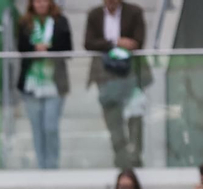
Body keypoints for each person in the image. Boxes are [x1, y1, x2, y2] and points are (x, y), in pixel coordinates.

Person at [84, 0, 148, 169]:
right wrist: (115, 42)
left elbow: (138, 41)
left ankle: (135, 156)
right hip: (106, 76)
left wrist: (125, 44)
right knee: (113, 121)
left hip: (131, 74)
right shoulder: (95, 14)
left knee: (135, 117)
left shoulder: (134, 12)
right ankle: (121, 159)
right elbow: (89, 43)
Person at [16, 0, 73, 170]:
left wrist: (48, 49)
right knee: (37, 128)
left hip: (54, 82)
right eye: (37, 1)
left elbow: (67, 47)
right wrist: (34, 48)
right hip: (32, 82)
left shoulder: (60, 21)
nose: (40, 4)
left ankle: (52, 165)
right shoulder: (25, 22)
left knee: (50, 126)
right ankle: (41, 166)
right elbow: (21, 47)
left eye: (44, 1)